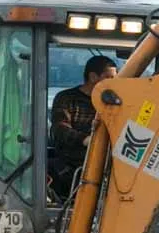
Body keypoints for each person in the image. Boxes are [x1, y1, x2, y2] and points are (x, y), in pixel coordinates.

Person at [49, 55, 116, 197]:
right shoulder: (67, 99)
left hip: (106, 168)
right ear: (93, 77)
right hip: (71, 168)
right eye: (109, 78)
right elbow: (59, 129)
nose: (114, 83)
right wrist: (86, 140)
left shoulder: (114, 104)